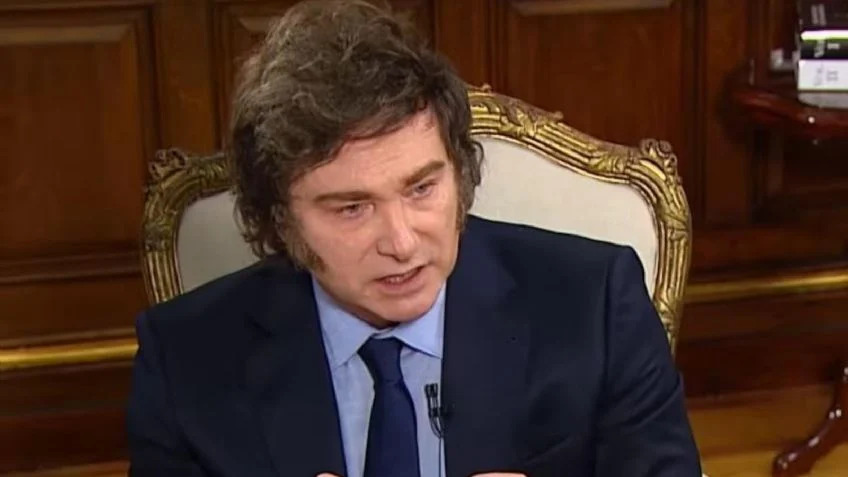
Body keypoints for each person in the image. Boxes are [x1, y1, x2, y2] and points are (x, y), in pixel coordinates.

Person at [126, 1, 702, 476]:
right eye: (352, 209)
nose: (402, 243)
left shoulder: (595, 306)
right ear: (280, 220)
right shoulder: (185, 359)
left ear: (459, 171)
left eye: (422, 188)